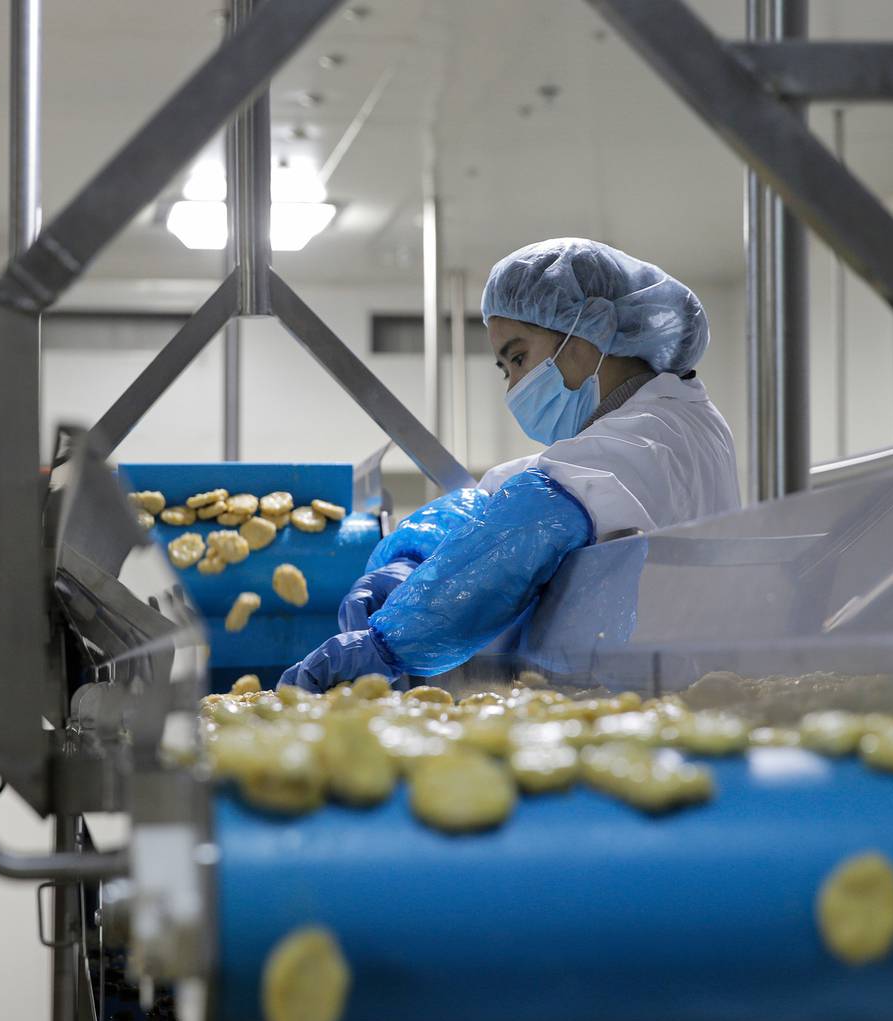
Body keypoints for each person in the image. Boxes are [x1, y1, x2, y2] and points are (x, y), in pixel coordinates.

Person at [280, 237, 740, 691]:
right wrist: (406, 561)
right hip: (617, 699)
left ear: (590, 332)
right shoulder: (633, 429)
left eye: (518, 358)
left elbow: (529, 520)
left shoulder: (658, 430)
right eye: (506, 370)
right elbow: (495, 498)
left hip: (658, 702)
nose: (514, 386)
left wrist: (389, 643)